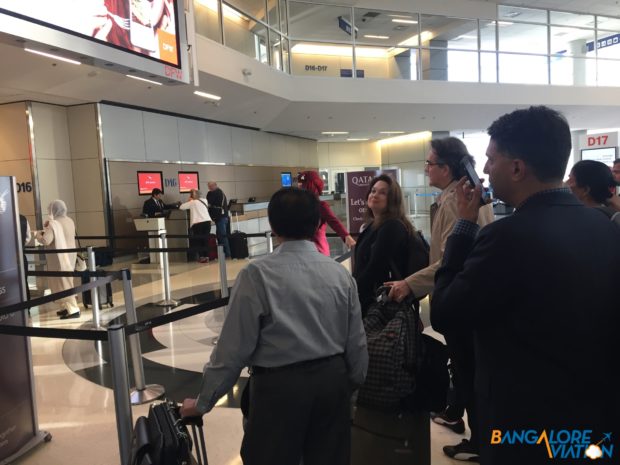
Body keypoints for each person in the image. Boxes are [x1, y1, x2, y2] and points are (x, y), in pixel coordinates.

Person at [431, 106, 620, 465]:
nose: (485, 170)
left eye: (490, 159)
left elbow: (445, 312)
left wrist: (464, 228)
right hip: (594, 419)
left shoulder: (506, 237)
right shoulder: (604, 226)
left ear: (517, 168)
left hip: (524, 428)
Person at [180, 187, 368, 465]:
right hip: (332, 384)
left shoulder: (257, 275)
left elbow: (232, 350)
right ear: (317, 223)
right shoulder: (339, 274)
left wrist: (203, 403)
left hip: (279, 390)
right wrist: (346, 388)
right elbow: (357, 343)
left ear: (272, 224)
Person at [385, 137, 494, 461]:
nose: (426, 169)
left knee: (467, 369)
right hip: (470, 297)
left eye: (430, 163)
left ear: (445, 169)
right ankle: (465, 423)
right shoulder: (468, 198)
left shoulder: (453, 202)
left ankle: (479, 442)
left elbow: (450, 259)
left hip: (460, 298)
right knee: (467, 370)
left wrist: (409, 283)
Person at [352, 174, 417, 316]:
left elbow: (374, 268)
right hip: (370, 302)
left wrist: (351, 292)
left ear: (392, 200)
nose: (374, 195)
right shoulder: (373, 225)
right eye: (373, 191)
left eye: (383, 193)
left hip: (381, 306)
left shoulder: (392, 227)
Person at [35, 200, 81, 319]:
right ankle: (65, 307)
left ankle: (73, 309)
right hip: (70, 256)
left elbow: (46, 240)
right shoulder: (69, 220)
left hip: (58, 259)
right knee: (66, 281)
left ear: (53, 210)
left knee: (62, 284)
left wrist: (38, 234)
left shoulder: (54, 224)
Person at [297, 171, 355, 256]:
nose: (300, 187)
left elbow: (334, 221)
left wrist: (346, 236)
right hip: (312, 250)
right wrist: (346, 236)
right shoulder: (314, 205)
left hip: (315, 250)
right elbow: (333, 221)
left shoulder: (318, 206)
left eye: (302, 184)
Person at [567, 160, 620, 226]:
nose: (566, 183)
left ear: (585, 190)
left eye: (571, 180)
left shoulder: (574, 220)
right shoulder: (613, 217)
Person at [179, 189, 212, 263]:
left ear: (192, 196)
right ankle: (207, 256)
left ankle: (202, 257)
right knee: (205, 240)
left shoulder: (192, 202)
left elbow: (181, 207)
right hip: (207, 222)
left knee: (199, 240)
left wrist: (189, 200)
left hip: (198, 223)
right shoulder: (205, 200)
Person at [206, 181, 231, 258]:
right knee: (220, 236)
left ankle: (227, 254)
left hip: (221, 217)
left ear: (215, 185)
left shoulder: (216, 192)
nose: (210, 188)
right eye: (209, 186)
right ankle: (222, 254)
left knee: (222, 236)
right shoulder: (217, 192)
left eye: (211, 186)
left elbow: (208, 203)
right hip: (221, 217)